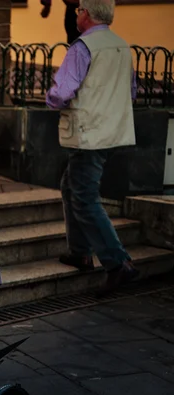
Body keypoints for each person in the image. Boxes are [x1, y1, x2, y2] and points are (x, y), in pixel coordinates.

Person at [46, 0, 139, 293]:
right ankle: (79, 252)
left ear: (86, 13)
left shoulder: (82, 47)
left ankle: (117, 263)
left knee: (85, 198)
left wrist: (51, 98)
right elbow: (131, 91)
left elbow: (61, 93)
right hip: (111, 132)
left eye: (78, 11)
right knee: (70, 186)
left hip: (87, 133)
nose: (76, 15)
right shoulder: (122, 46)